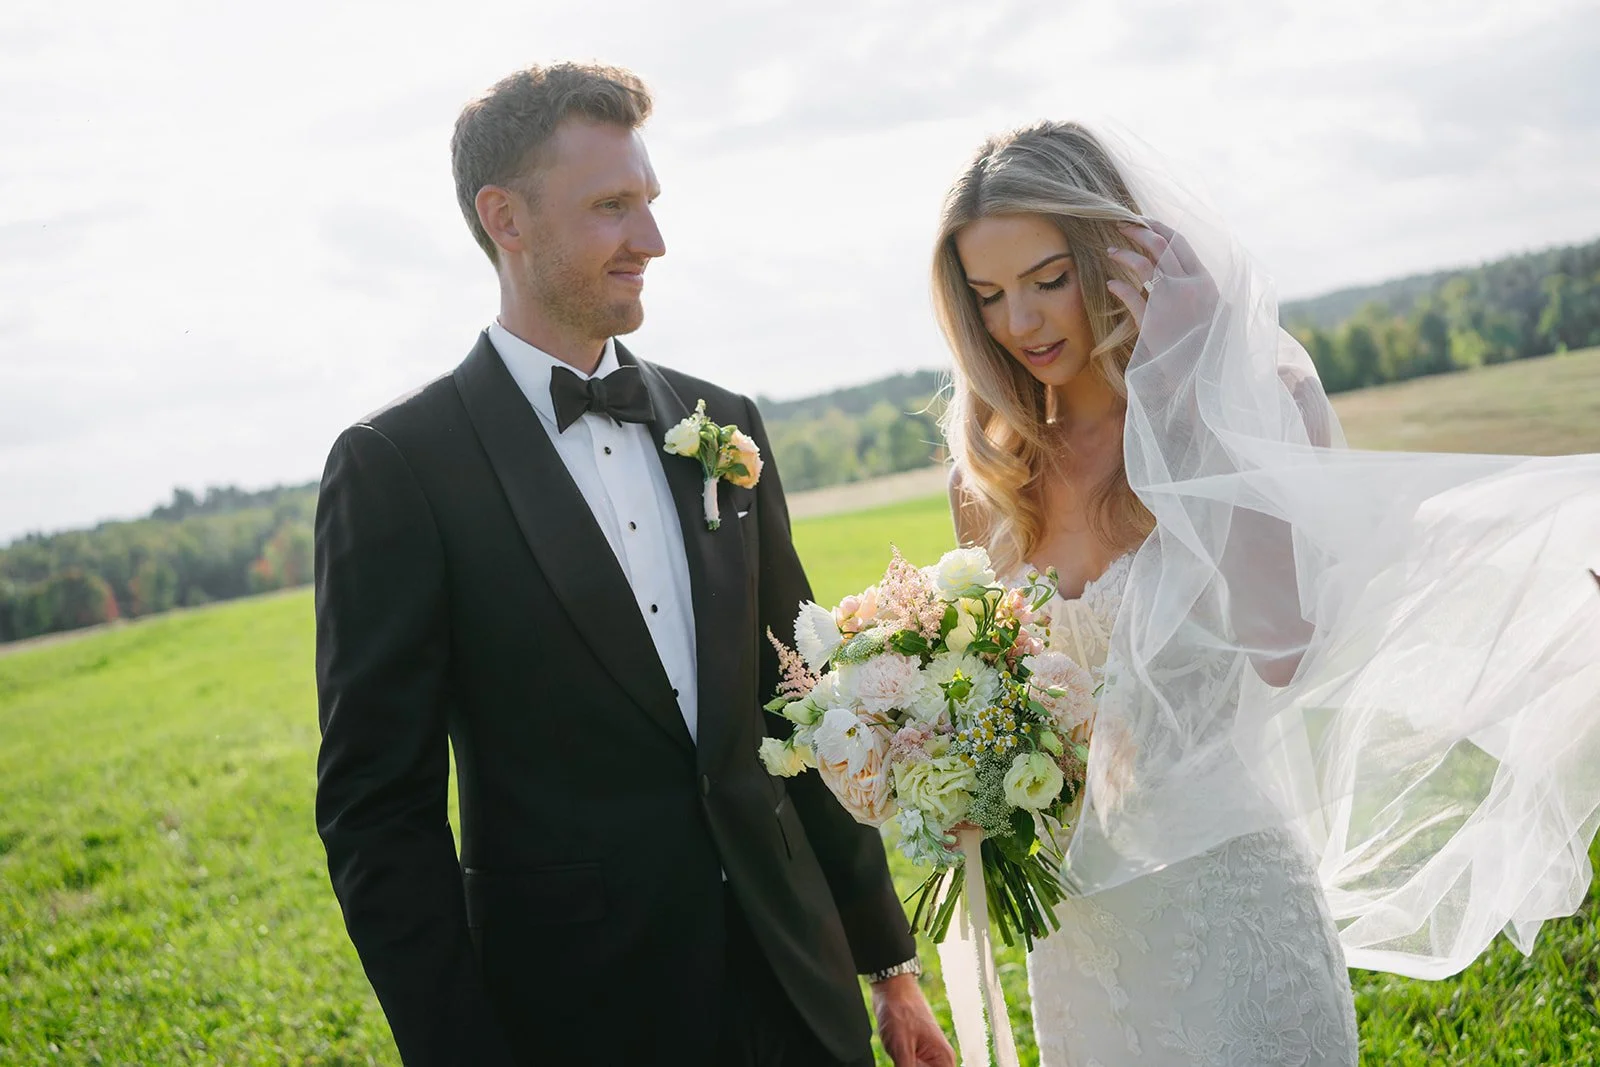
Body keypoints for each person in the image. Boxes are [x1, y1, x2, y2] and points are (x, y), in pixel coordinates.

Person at [312, 62, 953, 1067]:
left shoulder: (723, 423)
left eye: (648, 203)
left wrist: (886, 962)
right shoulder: (399, 466)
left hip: (798, 987)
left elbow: (800, 700)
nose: (651, 240)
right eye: (613, 206)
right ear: (504, 218)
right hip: (580, 1011)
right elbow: (376, 811)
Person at [936, 121, 1600, 1065]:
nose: (1024, 323)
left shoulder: (1257, 403)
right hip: (1079, 936)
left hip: (1232, 908)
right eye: (991, 295)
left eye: (1049, 280)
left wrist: (1189, 395)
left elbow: (1281, 644)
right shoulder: (990, 477)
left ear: (1115, 258)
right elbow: (1009, 707)